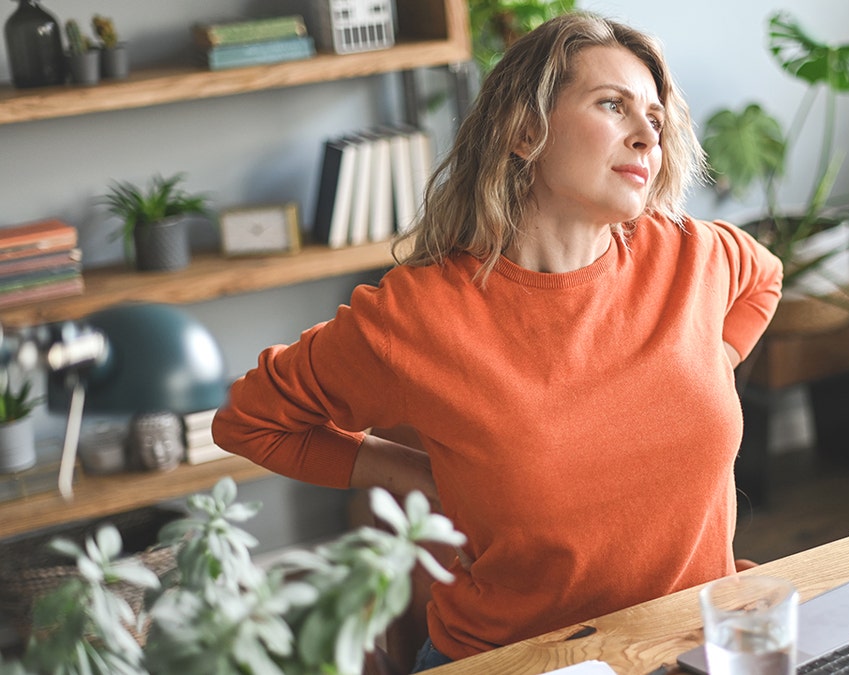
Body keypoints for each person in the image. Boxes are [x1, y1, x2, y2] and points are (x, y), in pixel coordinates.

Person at [212, 11, 782, 671]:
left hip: (690, 644)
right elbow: (251, 420)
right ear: (524, 130)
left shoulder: (692, 254)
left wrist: (711, 363)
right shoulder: (418, 313)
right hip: (514, 660)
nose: (644, 135)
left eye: (654, 118)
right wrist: (417, 472)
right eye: (612, 105)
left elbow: (763, 279)